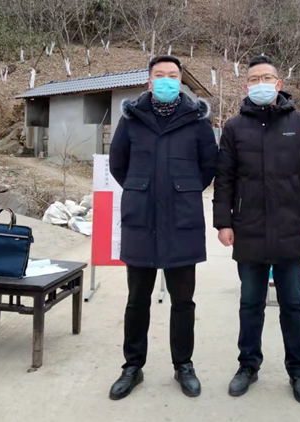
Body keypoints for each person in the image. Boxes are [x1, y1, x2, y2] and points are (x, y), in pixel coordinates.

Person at [213, 55, 300, 404]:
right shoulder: (235, 127)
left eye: (267, 78)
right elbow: (225, 178)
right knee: (250, 303)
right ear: (247, 85)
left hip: (291, 227)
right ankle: (248, 365)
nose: (261, 84)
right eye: (254, 79)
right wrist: (223, 221)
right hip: (248, 229)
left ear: (279, 84)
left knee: (293, 304)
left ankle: (299, 371)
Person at [108, 55, 218, 400]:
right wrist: (141, 188)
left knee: (183, 301)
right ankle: (132, 366)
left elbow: (208, 166)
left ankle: (183, 365)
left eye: (173, 75)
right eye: (160, 74)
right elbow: (118, 164)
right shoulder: (132, 118)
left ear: (180, 81)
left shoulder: (196, 120)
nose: (167, 79)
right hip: (141, 219)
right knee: (137, 300)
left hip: (182, 221)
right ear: (149, 81)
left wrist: (182, 190)